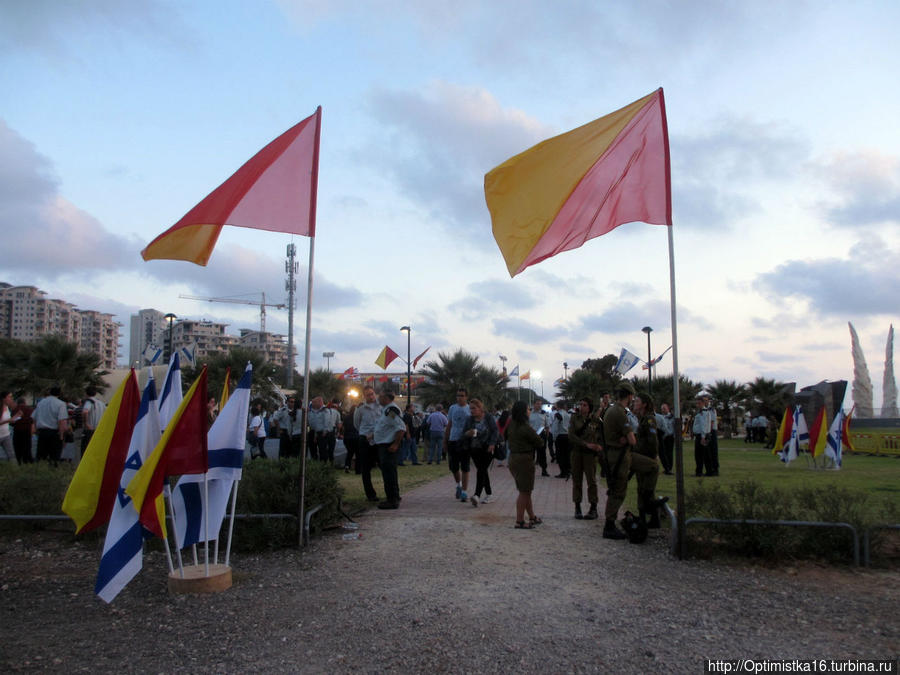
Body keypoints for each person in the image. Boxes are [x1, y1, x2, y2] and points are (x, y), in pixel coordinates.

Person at [599, 382, 638, 540]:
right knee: (618, 490)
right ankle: (609, 525)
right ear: (629, 396)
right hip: (619, 456)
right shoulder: (620, 413)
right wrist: (628, 439)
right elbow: (632, 440)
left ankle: (610, 523)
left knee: (616, 488)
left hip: (612, 453)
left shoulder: (610, 409)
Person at [505, 400, 544, 529]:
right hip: (524, 460)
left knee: (526, 490)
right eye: (528, 409)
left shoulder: (512, 424)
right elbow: (539, 442)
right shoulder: (525, 427)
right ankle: (520, 520)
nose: (530, 411)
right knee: (524, 492)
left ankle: (532, 516)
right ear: (523, 411)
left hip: (513, 458)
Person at [631, 392, 663, 528]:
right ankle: (648, 518)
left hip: (646, 458)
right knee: (642, 488)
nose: (635, 404)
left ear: (644, 404)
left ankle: (651, 518)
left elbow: (652, 440)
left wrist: (654, 456)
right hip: (641, 456)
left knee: (645, 489)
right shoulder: (642, 418)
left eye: (637, 401)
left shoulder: (649, 419)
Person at [567, 397, 602, 520]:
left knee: (591, 481)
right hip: (577, 452)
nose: (582, 407)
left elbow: (600, 435)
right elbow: (571, 435)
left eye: (585, 405)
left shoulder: (595, 420)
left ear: (590, 407)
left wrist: (599, 446)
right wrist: (585, 444)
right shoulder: (574, 418)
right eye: (581, 404)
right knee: (577, 481)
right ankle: (577, 507)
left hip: (590, 455)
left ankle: (593, 508)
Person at [373, 390, 406, 510]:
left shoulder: (391, 410)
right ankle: (394, 496)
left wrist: (396, 444)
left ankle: (392, 500)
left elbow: (401, 427)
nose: (378, 398)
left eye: (380, 396)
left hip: (388, 446)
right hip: (384, 445)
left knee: (389, 474)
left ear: (387, 398)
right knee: (389, 472)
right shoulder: (386, 410)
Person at [463, 398, 499, 507]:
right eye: (470, 408)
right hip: (475, 448)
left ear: (480, 408)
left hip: (488, 448)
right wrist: (467, 433)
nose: (472, 411)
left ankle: (476, 495)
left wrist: (492, 444)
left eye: (474, 408)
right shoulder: (469, 419)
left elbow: (495, 431)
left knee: (482, 469)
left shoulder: (488, 417)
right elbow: (464, 433)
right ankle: (489, 494)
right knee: (482, 470)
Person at [353, 386, 382, 502]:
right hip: (365, 439)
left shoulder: (381, 406)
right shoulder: (360, 408)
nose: (371, 396)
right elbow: (356, 424)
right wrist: (365, 434)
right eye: (368, 395)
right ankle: (370, 495)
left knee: (383, 466)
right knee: (366, 469)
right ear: (364, 396)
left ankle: (390, 492)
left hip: (379, 439)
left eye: (372, 393)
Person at [444, 387, 472, 502]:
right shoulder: (452, 408)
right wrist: (445, 440)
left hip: (465, 441)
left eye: (462, 395)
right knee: (454, 467)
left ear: (466, 397)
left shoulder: (470, 409)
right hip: (453, 440)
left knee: (465, 467)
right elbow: (449, 424)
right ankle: (458, 485)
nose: (459, 398)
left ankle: (465, 492)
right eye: (458, 395)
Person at [33, 387, 69, 463]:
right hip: (54, 433)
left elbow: (34, 417)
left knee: (41, 456)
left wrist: (36, 429)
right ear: (59, 394)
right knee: (54, 456)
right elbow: (61, 420)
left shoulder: (41, 403)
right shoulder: (60, 404)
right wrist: (62, 435)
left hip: (42, 432)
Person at [80, 386, 106, 457]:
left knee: (85, 451)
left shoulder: (89, 402)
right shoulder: (101, 403)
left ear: (86, 393)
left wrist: (86, 423)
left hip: (89, 430)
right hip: (98, 430)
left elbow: (85, 412)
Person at [693, 393, 712, 476]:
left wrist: (703, 437)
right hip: (702, 435)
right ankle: (707, 471)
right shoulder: (701, 412)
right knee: (704, 454)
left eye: (699, 403)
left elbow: (703, 425)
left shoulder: (703, 412)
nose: (698, 405)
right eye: (697, 403)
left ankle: (699, 472)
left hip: (702, 435)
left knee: (700, 455)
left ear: (703, 403)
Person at [528, 404, 550, 477]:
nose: (539, 405)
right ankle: (530, 471)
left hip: (541, 436)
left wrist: (547, 436)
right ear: (534, 405)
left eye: (540, 404)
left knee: (542, 454)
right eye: (537, 404)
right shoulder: (530, 414)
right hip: (532, 436)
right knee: (531, 454)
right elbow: (526, 425)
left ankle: (544, 470)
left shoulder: (544, 414)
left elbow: (547, 426)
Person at [551, 401, 571, 479]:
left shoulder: (558, 414)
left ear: (557, 406)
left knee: (560, 455)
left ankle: (563, 472)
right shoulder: (567, 414)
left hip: (560, 436)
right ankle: (568, 471)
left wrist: (554, 437)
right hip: (567, 435)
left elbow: (555, 426)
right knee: (566, 454)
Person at [12, 396, 33, 464]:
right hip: (27, 431)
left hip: (17, 431)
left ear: (18, 403)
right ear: (25, 402)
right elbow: (32, 420)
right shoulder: (29, 409)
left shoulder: (14, 409)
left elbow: (12, 422)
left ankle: (19, 461)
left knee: (17, 448)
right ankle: (27, 461)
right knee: (27, 447)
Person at [656, 402, 675, 475]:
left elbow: (674, 427)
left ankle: (669, 468)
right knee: (663, 453)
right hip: (663, 437)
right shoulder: (661, 417)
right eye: (661, 409)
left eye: (664, 408)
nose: (663, 410)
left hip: (669, 437)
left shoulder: (672, 417)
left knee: (669, 453)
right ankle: (666, 468)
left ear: (668, 408)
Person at [342, 404, 360, 473]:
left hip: (347, 437)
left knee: (349, 452)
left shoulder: (346, 417)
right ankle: (358, 469)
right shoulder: (358, 417)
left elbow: (343, 428)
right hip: (356, 437)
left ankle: (347, 466)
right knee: (358, 453)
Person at [0, 391, 16, 461]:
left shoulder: (7, 407)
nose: (11, 398)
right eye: (9, 397)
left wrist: (16, 417)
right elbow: (6, 420)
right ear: (4, 399)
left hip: (6, 435)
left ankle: (14, 471)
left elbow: (8, 420)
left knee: (12, 455)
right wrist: (8, 421)